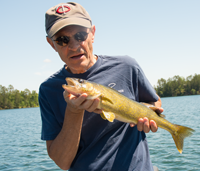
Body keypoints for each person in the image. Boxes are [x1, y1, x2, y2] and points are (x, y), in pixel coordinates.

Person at [39, 2, 163, 171]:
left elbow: (154, 102)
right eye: (62, 40)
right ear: (52, 44)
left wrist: (150, 117)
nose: (74, 46)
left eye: (81, 35)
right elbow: (62, 162)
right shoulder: (48, 90)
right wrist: (74, 112)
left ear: (93, 34)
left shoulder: (127, 66)